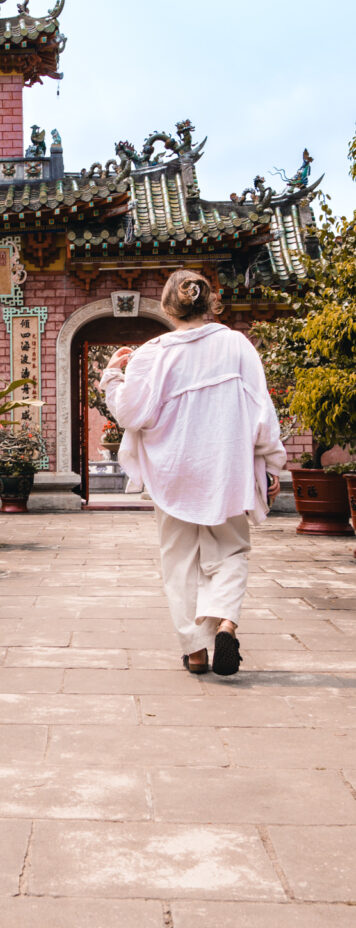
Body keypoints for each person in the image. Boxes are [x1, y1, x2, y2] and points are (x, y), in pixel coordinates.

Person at [100, 270, 286, 676]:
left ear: (168, 307)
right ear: (211, 303)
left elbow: (131, 412)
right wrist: (272, 464)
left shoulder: (152, 352)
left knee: (179, 560)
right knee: (231, 549)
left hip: (173, 471)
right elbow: (261, 412)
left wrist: (113, 375)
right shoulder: (236, 345)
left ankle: (196, 651)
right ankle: (226, 623)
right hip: (227, 468)